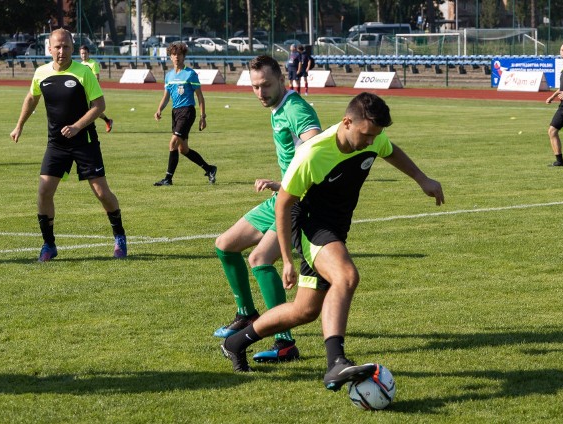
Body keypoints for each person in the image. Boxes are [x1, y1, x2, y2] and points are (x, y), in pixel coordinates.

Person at [221, 92, 444, 392]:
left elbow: (390, 150)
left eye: (374, 136)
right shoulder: (313, 154)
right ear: (347, 122)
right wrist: (286, 259)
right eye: (365, 135)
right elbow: (283, 205)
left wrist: (422, 179)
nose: (370, 142)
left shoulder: (373, 137)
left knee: (304, 311)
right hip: (311, 223)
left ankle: (235, 342)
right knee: (347, 276)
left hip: (336, 227)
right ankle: (335, 362)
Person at [214, 55, 321, 363]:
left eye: (266, 85)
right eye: (255, 87)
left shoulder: (296, 108)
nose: (260, 92)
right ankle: (247, 315)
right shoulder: (278, 109)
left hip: (298, 200)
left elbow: (314, 145)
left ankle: (284, 343)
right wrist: (281, 183)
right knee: (225, 245)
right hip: (283, 195)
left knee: (259, 259)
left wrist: (289, 184)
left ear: (282, 80)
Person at [9, 29, 127, 262]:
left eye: (66, 47)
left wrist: (76, 126)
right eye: (57, 47)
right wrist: (19, 125)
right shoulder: (41, 73)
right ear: (49, 49)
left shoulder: (84, 72)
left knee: (102, 193)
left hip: (85, 142)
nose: (61, 51)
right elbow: (32, 98)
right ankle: (49, 245)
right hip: (56, 144)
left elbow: (99, 105)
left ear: (72, 48)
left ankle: (120, 236)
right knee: (44, 192)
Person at [153, 41, 217, 186]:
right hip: (175, 112)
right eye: (174, 54)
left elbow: (200, 96)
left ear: (184, 56)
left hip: (187, 111)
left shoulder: (190, 74)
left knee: (173, 143)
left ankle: (168, 179)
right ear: (170, 57)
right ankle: (210, 168)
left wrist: (203, 116)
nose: (177, 57)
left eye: (179, 54)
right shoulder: (168, 76)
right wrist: (159, 110)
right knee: (183, 149)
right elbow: (166, 96)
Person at [79, 44, 114, 133]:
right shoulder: (81, 64)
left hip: (91, 91)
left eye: (85, 53)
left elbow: (96, 77)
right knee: (90, 109)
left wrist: (93, 90)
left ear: (88, 53)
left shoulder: (93, 63)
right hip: (83, 91)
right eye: (82, 53)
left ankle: (89, 127)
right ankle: (107, 121)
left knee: (92, 109)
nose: (83, 55)